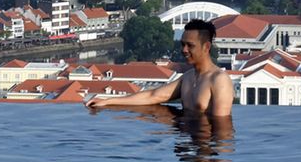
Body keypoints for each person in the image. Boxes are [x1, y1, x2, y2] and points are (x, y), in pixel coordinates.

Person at [87, 19, 234, 116]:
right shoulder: (188, 77)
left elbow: (222, 127)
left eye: (190, 45)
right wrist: (108, 101)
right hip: (186, 142)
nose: (184, 50)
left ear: (206, 47)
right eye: (183, 44)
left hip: (204, 150)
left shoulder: (219, 80)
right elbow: (153, 95)